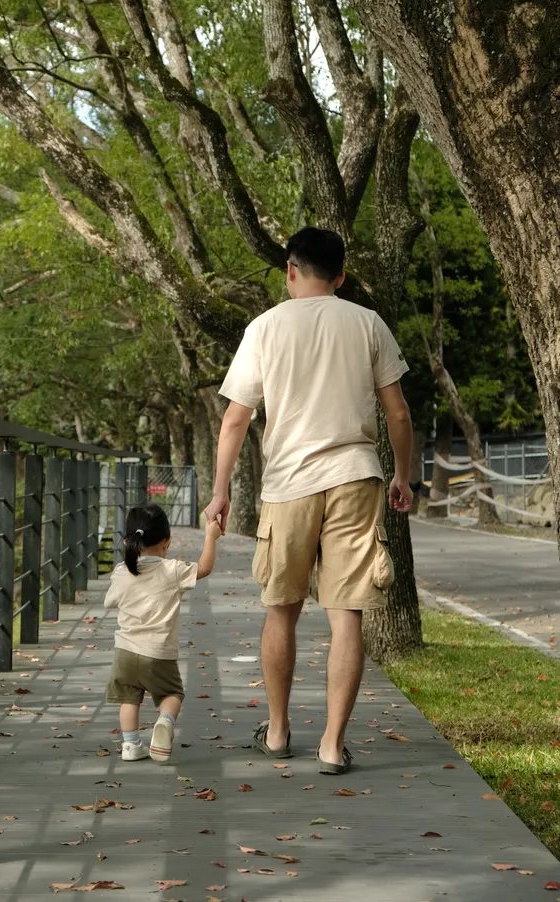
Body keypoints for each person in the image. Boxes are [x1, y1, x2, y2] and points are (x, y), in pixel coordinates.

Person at [205, 226, 413, 773]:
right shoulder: (367, 323)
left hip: (288, 485)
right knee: (347, 614)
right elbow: (398, 412)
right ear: (341, 276)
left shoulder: (264, 327)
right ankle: (330, 744)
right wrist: (403, 477)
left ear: (290, 270)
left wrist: (220, 491)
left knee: (282, 610)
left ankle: (276, 733)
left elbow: (235, 418)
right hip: (356, 476)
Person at [104, 503, 223, 763]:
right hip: (159, 653)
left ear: (127, 541)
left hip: (124, 653)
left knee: (129, 698)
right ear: (166, 542)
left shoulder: (121, 572)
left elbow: (109, 602)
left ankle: (131, 745)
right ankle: (165, 723)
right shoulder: (173, 570)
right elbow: (204, 568)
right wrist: (210, 537)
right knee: (172, 694)